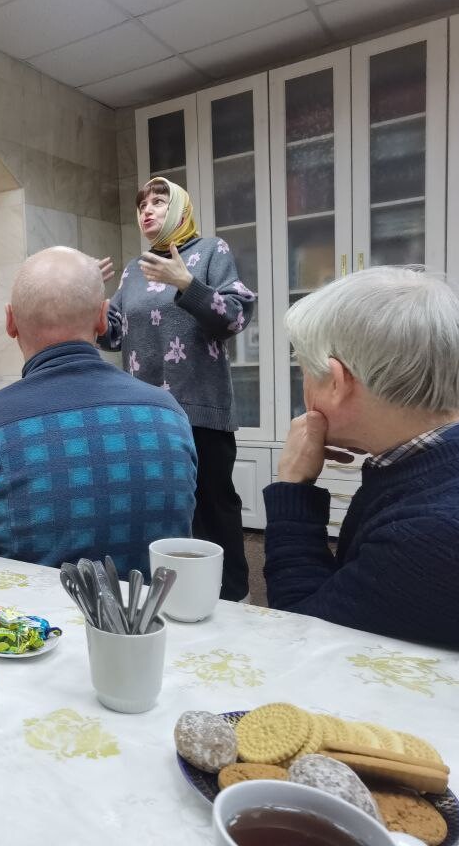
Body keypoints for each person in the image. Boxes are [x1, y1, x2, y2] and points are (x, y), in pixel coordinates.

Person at [264, 267, 459, 653]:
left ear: (336, 382)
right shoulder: (450, 467)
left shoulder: (439, 532)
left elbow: (305, 630)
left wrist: (293, 486)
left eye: (302, 370)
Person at [0, 247, 197, 573]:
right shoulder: (170, 415)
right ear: (103, 318)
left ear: (10, 322)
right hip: (154, 606)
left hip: (26, 608)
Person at [98, 176, 256, 600]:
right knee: (157, 504)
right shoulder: (135, 268)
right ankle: (168, 595)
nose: (147, 210)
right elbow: (112, 335)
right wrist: (87, 293)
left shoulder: (211, 251)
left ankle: (234, 596)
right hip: (145, 415)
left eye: (159, 201)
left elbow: (236, 317)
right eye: (141, 205)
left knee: (213, 505)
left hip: (200, 408)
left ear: (181, 209)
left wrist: (187, 283)